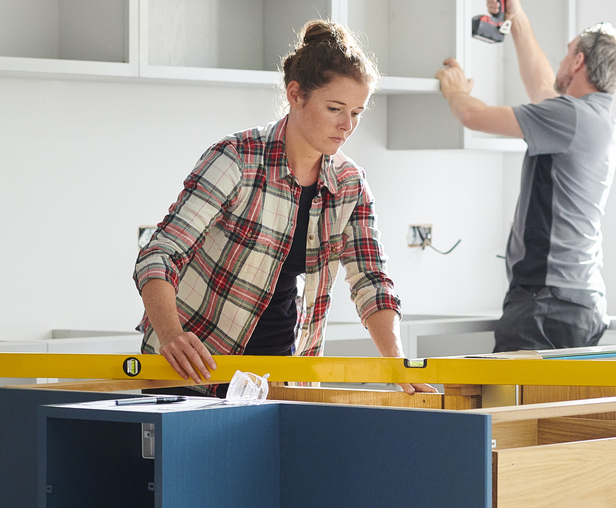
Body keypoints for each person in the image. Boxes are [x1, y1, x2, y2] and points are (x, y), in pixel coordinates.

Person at [134, 20, 435, 395]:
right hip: (192, 371)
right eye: (335, 108)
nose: (347, 126)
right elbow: (159, 254)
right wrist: (171, 336)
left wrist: (397, 365)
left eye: (357, 112)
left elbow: (371, 281)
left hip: (278, 378)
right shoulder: (237, 159)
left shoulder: (349, 184)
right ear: (296, 94)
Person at [436, 0, 616, 351]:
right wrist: (516, 15)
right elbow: (542, 85)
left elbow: (473, 116)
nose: (560, 61)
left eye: (567, 54)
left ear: (577, 64)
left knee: (510, 406)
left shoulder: (569, 116)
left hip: (547, 303)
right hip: (575, 301)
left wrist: (455, 89)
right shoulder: (596, 119)